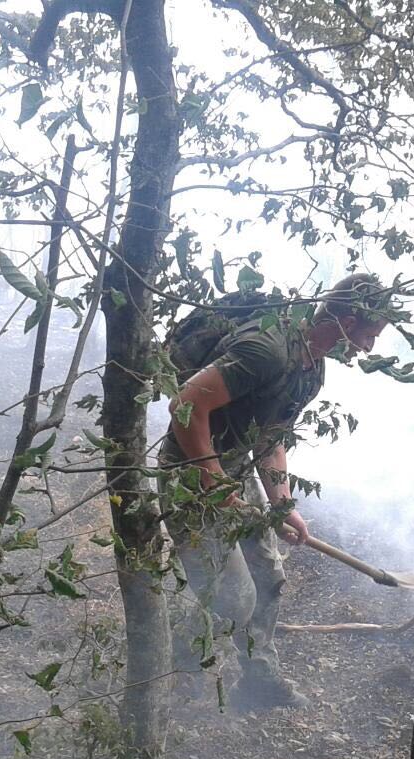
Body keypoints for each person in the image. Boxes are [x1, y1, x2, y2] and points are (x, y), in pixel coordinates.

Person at [160, 272, 392, 710]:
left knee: (268, 577)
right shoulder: (267, 350)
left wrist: (282, 505)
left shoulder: (312, 369)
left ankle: (259, 679)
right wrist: (210, 480)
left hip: (233, 472)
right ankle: (172, 664)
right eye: (367, 334)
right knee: (233, 596)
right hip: (188, 476)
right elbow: (185, 406)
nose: (368, 348)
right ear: (342, 319)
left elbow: (270, 438)